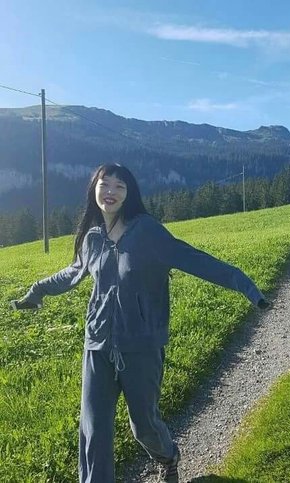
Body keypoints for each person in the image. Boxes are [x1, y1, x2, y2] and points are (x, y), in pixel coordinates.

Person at [11, 163, 270, 483]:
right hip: (98, 343)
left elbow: (195, 260)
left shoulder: (147, 232)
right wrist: (37, 291)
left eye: (119, 186)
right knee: (94, 430)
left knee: (143, 426)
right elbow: (73, 272)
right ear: (94, 189)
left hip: (141, 346)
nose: (111, 192)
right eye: (105, 184)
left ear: (129, 193)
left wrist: (247, 287)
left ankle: (167, 456)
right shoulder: (93, 238)